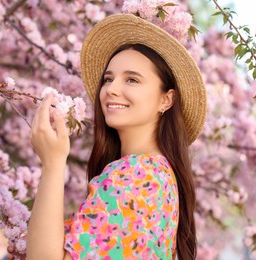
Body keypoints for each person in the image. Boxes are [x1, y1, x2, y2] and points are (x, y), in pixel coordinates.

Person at [26, 14, 206, 260]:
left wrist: (53, 163)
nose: (111, 89)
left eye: (132, 79)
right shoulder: (156, 174)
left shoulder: (139, 175)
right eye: (108, 79)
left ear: (166, 99)